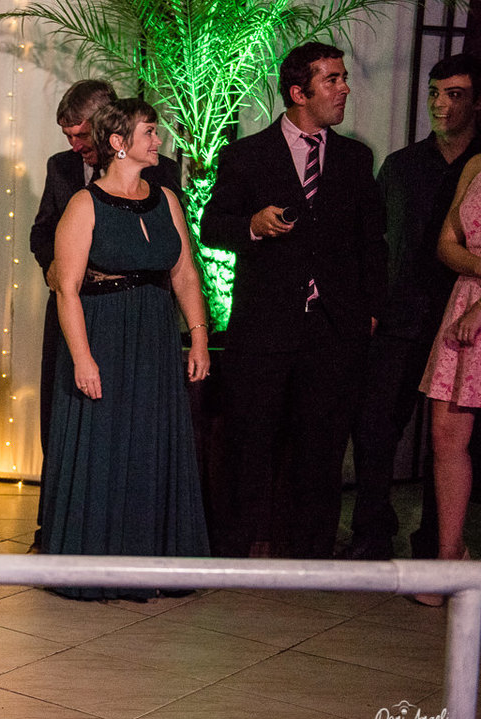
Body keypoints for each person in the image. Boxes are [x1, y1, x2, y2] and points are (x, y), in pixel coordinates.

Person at [201, 42, 386, 559]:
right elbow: (213, 227)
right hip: (264, 329)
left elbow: (373, 242)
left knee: (321, 452)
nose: (345, 88)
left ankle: (311, 557)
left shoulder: (355, 157)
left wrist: (370, 311)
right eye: (332, 80)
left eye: (343, 78)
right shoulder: (246, 155)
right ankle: (233, 552)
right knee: (248, 445)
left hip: (334, 330)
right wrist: (252, 225)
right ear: (299, 93)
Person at [41, 98, 210, 600]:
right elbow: (67, 288)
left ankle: (154, 563)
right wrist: (82, 357)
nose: (158, 140)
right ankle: (94, 566)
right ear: (119, 142)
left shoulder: (167, 199)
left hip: (155, 335)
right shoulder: (84, 204)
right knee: (104, 445)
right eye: (149, 132)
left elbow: (185, 273)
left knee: (152, 443)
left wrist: (198, 336)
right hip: (104, 334)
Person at [28, 79, 182, 552]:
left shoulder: (161, 172)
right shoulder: (61, 168)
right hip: (75, 309)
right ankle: (59, 533)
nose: (75, 145)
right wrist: (59, 271)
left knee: (136, 431)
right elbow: (41, 232)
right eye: (68, 136)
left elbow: (174, 248)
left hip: (139, 320)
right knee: (64, 423)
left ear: (108, 126)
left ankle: (135, 537)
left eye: (80, 134)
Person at [343, 55, 481, 561]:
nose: (441, 104)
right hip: (401, 317)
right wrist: (371, 306)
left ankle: (437, 545)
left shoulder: (480, 164)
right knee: (375, 427)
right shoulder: (401, 166)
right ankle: (372, 535)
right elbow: (374, 243)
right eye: (434, 93)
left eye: (455, 94)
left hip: (463, 319)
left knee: (450, 440)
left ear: (477, 102)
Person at [413, 155, 481, 605]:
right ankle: (449, 557)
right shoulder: (476, 165)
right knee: (446, 434)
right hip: (466, 297)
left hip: (477, 307)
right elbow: (447, 245)